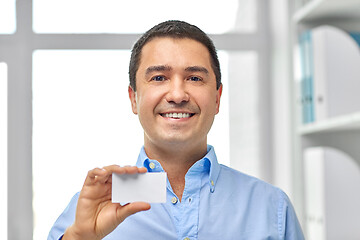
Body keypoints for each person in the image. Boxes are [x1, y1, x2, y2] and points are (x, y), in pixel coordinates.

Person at [48, 20, 304, 240]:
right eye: (159, 77)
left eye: (194, 78)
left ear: (217, 98)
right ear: (134, 99)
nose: (178, 94)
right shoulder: (94, 206)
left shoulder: (272, 208)